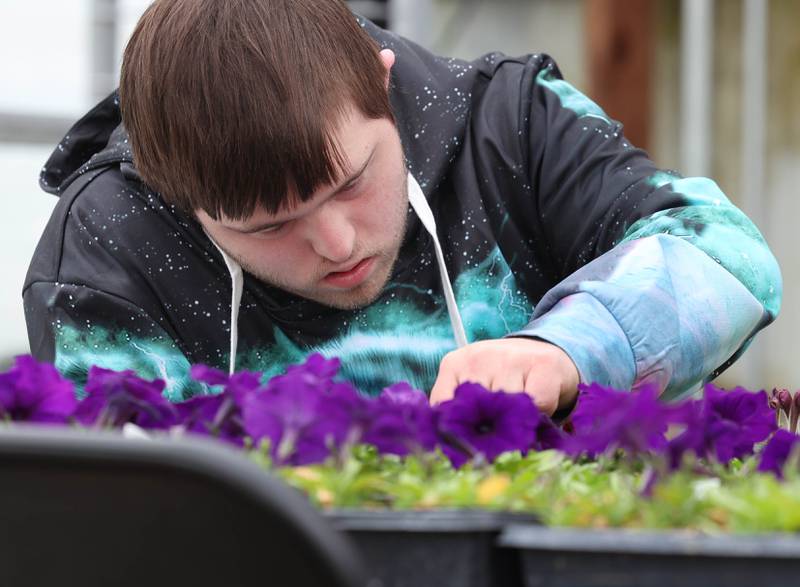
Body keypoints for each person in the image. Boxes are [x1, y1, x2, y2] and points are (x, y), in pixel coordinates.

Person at [24, 0, 781, 417]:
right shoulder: (105, 249)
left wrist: (568, 349)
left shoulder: (509, 123)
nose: (336, 240)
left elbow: (726, 254)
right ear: (178, 199)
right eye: (271, 226)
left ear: (382, 83)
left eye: (351, 180)